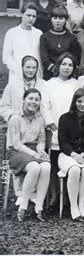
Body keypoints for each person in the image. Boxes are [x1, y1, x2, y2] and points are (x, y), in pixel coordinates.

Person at [6, 88, 50, 222]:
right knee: (35, 167)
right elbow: (17, 143)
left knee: (46, 166)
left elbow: (41, 140)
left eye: (37, 99)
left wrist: (41, 151)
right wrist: (35, 154)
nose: (33, 102)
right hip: (16, 152)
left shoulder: (40, 119)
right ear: (24, 100)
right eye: (30, 98)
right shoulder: (15, 118)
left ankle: (39, 207)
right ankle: (23, 205)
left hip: (33, 151)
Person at [58, 88, 84, 220]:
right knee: (74, 170)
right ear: (74, 102)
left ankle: (82, 207)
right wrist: (73, 154)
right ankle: (74, 208)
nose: (82, 104)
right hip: (67, 155)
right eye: (79, 101)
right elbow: (62, 141)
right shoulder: (65, 118)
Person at [41, 53, 78, 207]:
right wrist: (50, 123)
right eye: (64, 64)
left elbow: (80, 105)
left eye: (70, 65)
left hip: (73, 129)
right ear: (58, 66)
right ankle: (54, 195)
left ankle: (69, 196)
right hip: (54, 127)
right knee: (53, 163)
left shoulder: (76, 84)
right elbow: (44, 105)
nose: (66, 67)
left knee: (71, 161)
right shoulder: (48, 84)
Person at [39, 4, 81, 81]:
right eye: (55, 18)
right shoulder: (44, 37)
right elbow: (45, 59)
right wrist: (57, 71)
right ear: (51, 19)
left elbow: (75, 58)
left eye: (61, 18)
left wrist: (65, 71)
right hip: (50, 75)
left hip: (67, 75)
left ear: (65, 20)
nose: (57, 21)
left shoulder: (72, 38)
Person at [3, 3, 43, 82]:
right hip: (17, 74)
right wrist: (16, 69)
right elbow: (6, 56)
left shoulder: (38, 33)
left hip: (35, 74)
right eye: (28, 15)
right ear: (22, 14)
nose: (31, 19)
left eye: (34, 16)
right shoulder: (12, 33)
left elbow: (40, 54)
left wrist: (39, 70)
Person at [0, 56, 45, 122]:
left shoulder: (44, 84)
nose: (31, 70)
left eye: (34, 67)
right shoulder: (12, 85)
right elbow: (3, 106)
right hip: (17, 124)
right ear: (22, 67)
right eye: (28, 67)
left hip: (38, 124)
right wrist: (13, 116)